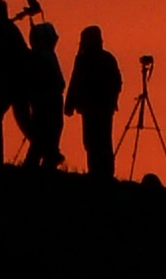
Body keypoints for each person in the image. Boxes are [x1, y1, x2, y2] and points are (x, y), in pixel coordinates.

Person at [65, 26, 122, 178]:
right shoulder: (108, 58)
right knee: (102, 141)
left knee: (93, 141)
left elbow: (75, 81)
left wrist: (69, 104)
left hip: (91, 107)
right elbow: (117, 82)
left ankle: (98, 173)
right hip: (102, 108)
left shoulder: (84, 59)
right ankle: (104, 173)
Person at [0, 0, 32, 163]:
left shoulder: (5, 31)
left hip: (10, 84)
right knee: (24, 120)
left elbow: (8, 57)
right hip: (13, 84)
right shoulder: (4, 30)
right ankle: (49, 150)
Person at [23, 22, 66, 168]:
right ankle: (36, 165)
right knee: (44, 136)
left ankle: (44, 164)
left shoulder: (45, 55)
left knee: (46, 136)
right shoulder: (41, 57)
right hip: (47, 103)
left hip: (47, 101)